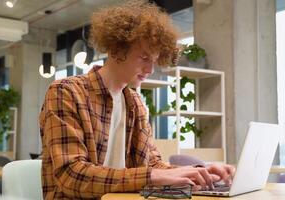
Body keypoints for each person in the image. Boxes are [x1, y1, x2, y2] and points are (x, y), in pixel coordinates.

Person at [39, 1, 234, 199]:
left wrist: (199, 171)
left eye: (154, 60)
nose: (150, 70)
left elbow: (152, 165)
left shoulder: (136, 104)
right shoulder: (66, 92)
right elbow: (72, 176)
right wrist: (153, 176)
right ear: (116, 49)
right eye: (144, 58)